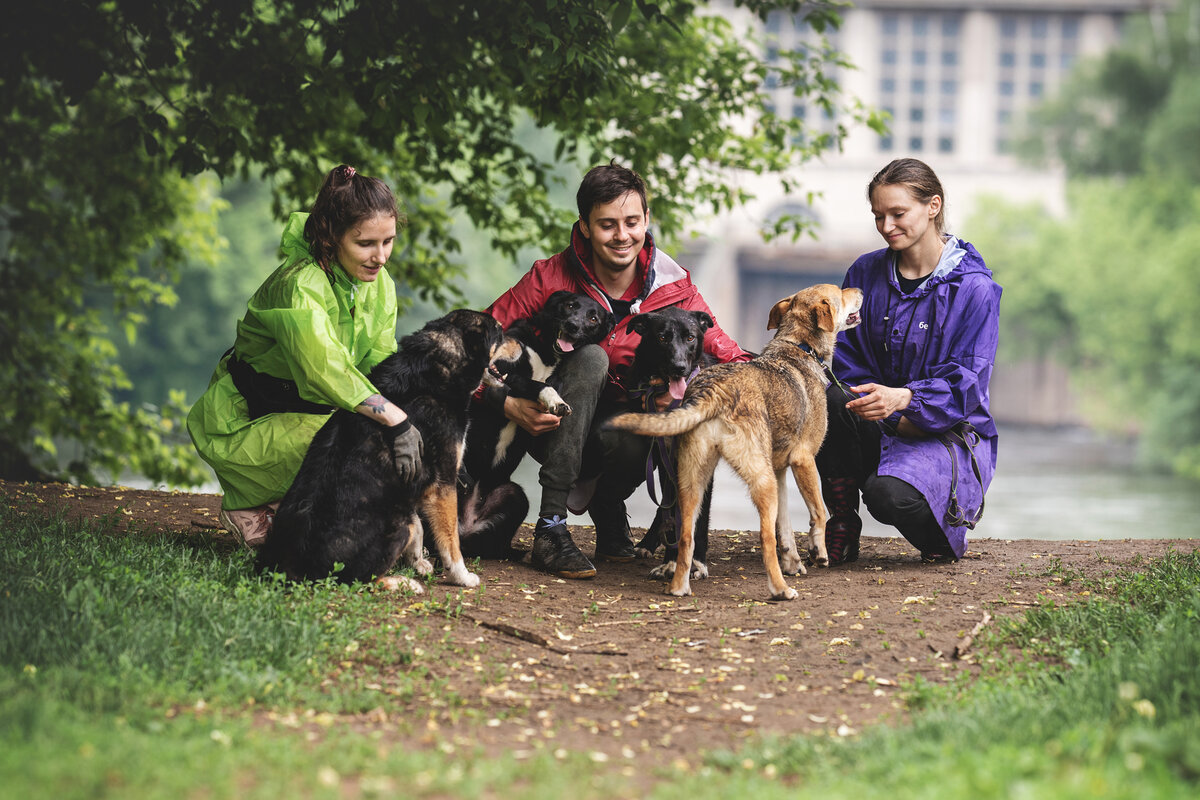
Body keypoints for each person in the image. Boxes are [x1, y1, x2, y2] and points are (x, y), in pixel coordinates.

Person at [483, 162, 751, 579]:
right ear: (586, 227)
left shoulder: (673, 288)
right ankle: (551, 528)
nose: (622, 235)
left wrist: (778, 379)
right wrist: (508, 403)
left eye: (632, 221)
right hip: (553, 423)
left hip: (625, 435)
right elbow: (477, 346)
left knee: (644, 419)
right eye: (607, 224)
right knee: (591, 358)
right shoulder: (549, 278)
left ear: (646, 220)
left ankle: (609, 509)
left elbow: (727, 359)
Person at [187, 164, 423, 548]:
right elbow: (323, 370)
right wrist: (395, 420)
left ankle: (295, 506)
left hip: (307, 415)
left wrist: (418, 419)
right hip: (247, 423)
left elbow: (381, 368)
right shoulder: (299, 283)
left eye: (389, 241)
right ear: (331, 237)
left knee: (383, 432)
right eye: (365, 244)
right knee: (359, 437)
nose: (380, 257)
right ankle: (251, 505)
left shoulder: (380, 287)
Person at [817, 157, 1001, 564]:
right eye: (878, 216)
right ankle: (842, 523)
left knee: (889, 497)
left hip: (944, 429)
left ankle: (939, 537)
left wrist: (906, 400)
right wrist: (879, 403)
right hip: (875, 414)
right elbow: (843, 354)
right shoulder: (864, 273)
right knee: (827, 397)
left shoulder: (974, 290)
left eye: (898, 213)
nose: (886, 226)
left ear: (932, 206)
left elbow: (966, 382)